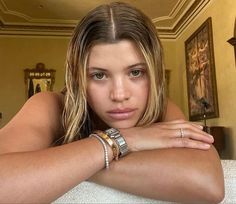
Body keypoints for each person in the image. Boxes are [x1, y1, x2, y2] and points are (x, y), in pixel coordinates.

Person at [0, 2, 224, 203]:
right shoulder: (51, 105)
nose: (119, 94)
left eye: (136, 72)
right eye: (99, 75)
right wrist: (121, 140)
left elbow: (208, 183)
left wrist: (72, 162)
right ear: (79, 79)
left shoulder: (161, 108)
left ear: (154, 73)